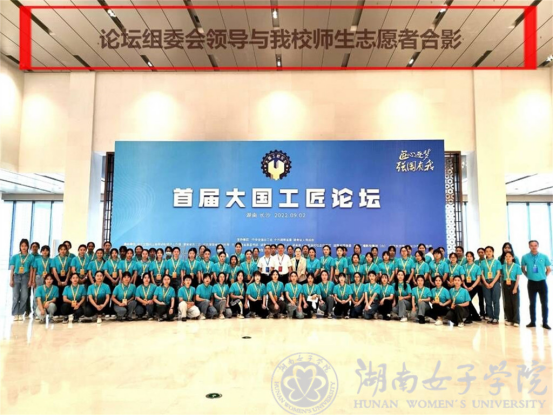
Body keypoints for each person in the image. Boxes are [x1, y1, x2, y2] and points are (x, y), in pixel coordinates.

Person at [521, 240, 551, 330]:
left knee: (544, 303)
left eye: (535, 245)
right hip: (531, 283)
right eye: (531, 245)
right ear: (529, 246)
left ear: (538, 246)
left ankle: (545, 322)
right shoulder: (525, 257)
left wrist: (544, 276)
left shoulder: (544, 256)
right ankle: (532, 322)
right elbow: (523, 268)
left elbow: (549, 269)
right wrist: (528, 276)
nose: (533, 247)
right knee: (532, 303)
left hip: (542, 282)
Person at [9, 239, 33, 321]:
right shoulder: (15, 257)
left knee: (24, 296)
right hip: (16, 276)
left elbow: (31, 270)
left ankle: (21, 312)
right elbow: (12, 269)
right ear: (20, 247)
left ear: (28, 247)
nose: (24, 247)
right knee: (15, 296)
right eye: (22, 246)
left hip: (26, 277)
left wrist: (30, 280)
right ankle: (15, 313)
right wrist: (11, 279)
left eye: (25, 246)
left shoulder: (31, 257)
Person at [481, 246, 502, 325]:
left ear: (493, 252)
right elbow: (481, 273)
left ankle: (496, 317)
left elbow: (498, 273)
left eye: (490, 251)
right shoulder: (483, 262)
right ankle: (490, 316)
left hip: (495, 281)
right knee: (488, 300)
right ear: (485, 253)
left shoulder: (497, 262)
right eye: (487, 251)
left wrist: (493, 283)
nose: (488, 253)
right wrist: (485, 283)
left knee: (496, 300)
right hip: (486, 282)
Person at [501, 251, 521, 327]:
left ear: (512, 257)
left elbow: (518, 278)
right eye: (506, 256)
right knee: (507, 303)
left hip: (513, 284)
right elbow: (501, 274)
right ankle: (509, 319)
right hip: (506, 283)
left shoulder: (516, 266)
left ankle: (516, 320)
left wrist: (515, 288)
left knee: (515, 303)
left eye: (509, 256)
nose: (508, 258)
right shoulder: (503, 266)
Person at [31, 245, 51, 320]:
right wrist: (33, 281)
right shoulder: (37, 260)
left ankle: (43, 312)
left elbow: (52, 271)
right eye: (43, 250)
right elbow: (34, 271)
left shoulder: (51, 260)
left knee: (45, 295)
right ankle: (35, 313)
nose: (45, 252)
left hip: (47, 279)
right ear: (41, 251)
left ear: (48, 252)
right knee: (36, 295)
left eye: (46, 250)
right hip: (38, 277)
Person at [463, 251, 483, 322]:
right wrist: (464, 286)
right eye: (467, 256)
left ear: (473, 257)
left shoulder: (477, 267)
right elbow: (462, 277)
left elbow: (478, 278)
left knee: (468, 300)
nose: (469, 258)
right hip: (465, 284)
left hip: (474, 284)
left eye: (470, 256)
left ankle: (472, 316)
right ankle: (474, 316)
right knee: (467, 300)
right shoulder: (463, 266)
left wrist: (472, 287)